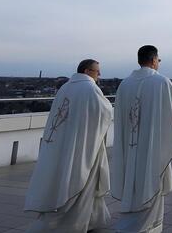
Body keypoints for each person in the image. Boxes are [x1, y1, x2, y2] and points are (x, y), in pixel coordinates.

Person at [24, 59, 113, 232]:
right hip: (81, 145)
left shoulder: (66, 87)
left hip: (62, 143)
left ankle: (92, 220)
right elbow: (105, 112)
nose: (99, 75)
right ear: (87, 71)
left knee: (62, 178)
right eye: (97, 71)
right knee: (80, 181)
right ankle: (70, 224)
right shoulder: (90, 88)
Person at [111, 45, 172, 233]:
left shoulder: (125, 84)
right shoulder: (161, 82)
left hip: (131, 145)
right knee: (151, 182)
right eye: (158, 60)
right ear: (153, 60)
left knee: (133, 185)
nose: (158, 63)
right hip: (152, 147)